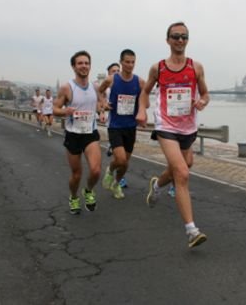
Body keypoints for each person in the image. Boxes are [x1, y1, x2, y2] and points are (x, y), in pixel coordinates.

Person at [136, 22, 210, 248]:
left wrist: (202, 102)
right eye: (175, 36)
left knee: (186, 164)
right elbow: (145, 92)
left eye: (184, 37)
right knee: (182, 174)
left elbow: (206, 93)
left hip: (188, 127)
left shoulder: (195, 67)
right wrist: (142, 110)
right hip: (166, 126)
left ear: (187, 40)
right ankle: (191, 231)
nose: (180, 40)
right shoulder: (158, 68)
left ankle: (157, 185)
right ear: (167, 40)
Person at [53, 50, 100, 215]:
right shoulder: (67, 87)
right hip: (73, 134)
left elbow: (100, 104)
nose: (84, 66)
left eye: (86, 63)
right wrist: (65, 112)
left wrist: (104, 109)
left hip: (90, 133)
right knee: (76, 174)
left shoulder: (95, 86)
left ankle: (88, 191)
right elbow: (55, 109)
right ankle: (73, 196)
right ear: (74, 66)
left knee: (95, 170)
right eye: (80, 63)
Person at [100, 50, 144, 199]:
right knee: (120, 159)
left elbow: (145, 100)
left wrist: (143, 111)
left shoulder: (139, 82)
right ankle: (110, 170)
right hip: (115, 126)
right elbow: (100, 92)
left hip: (131, 127)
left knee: (125, 164)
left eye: (133, 62)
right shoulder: (111, 80)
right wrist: (104, 103)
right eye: (127, 62)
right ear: (121, 62)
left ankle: (116, 184)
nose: (130, 65)